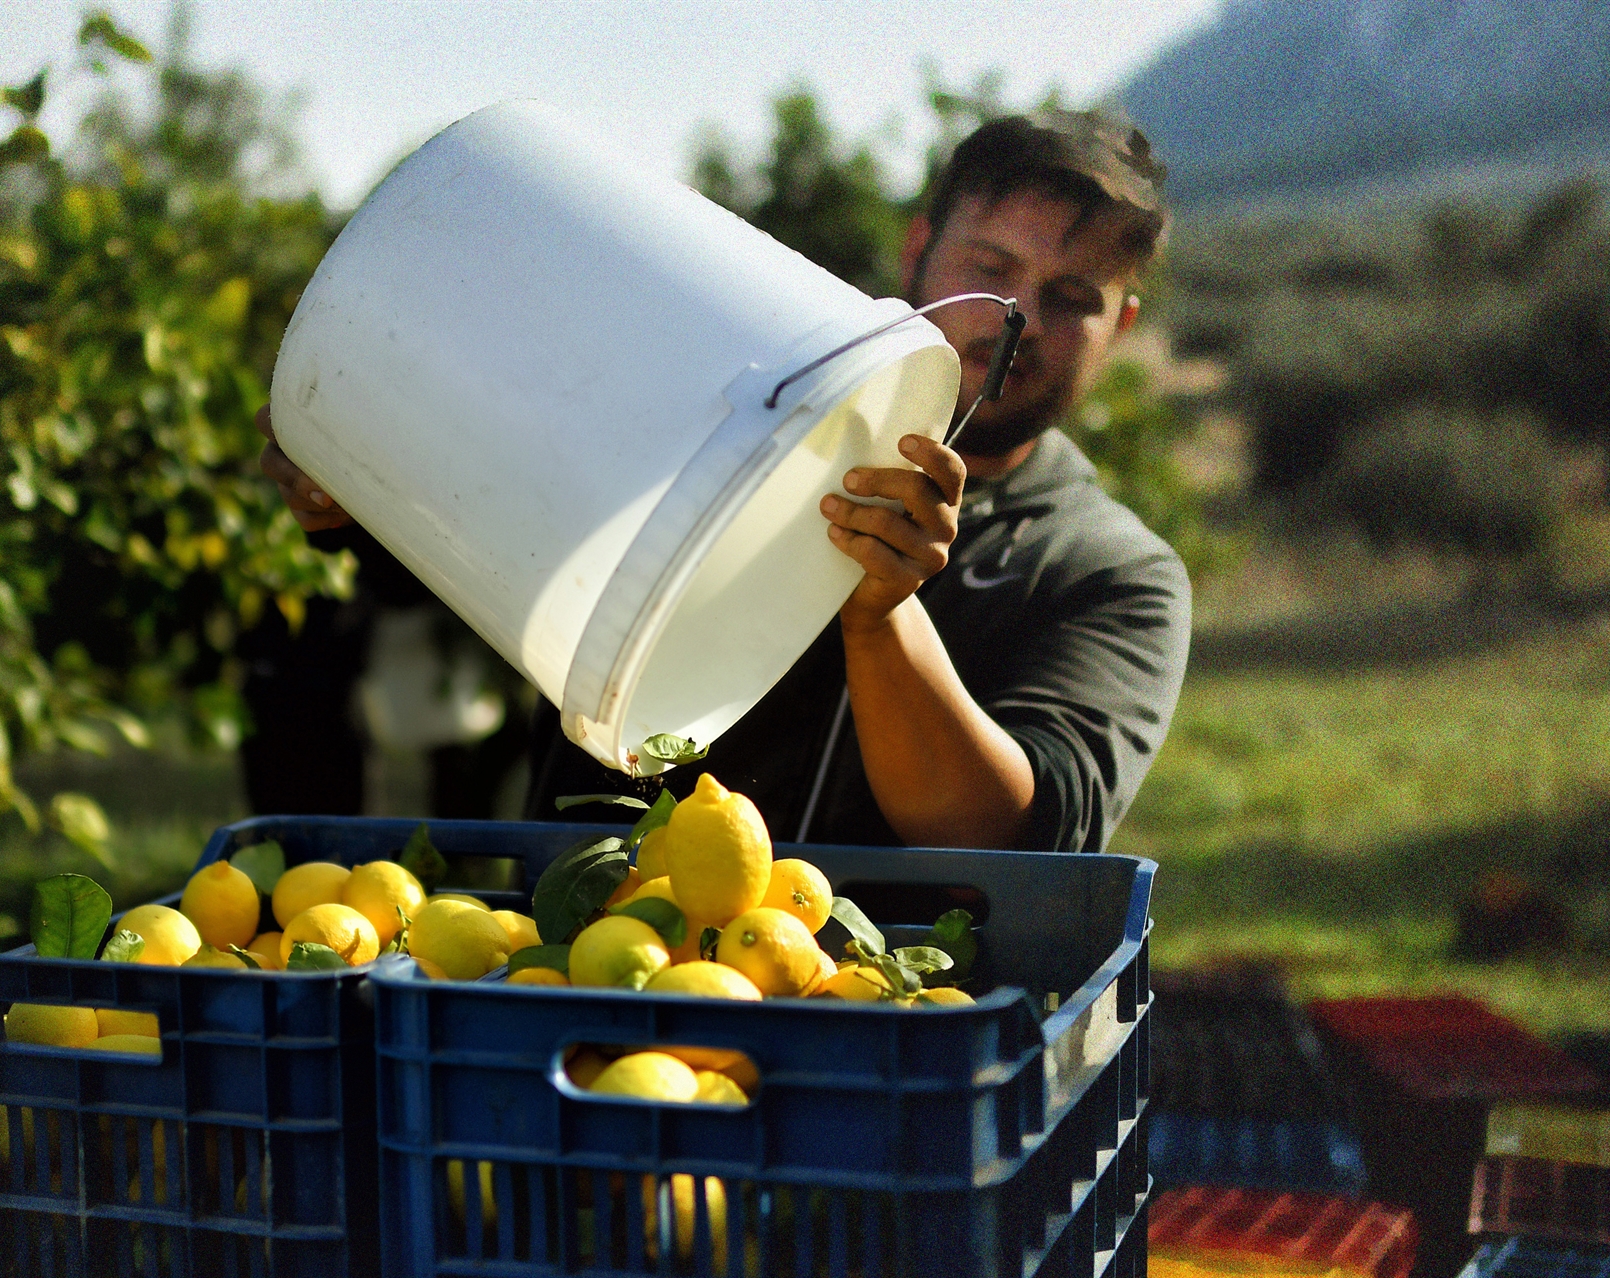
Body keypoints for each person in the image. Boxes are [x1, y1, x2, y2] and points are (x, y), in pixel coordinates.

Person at [259, 109, 1190, 853]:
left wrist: (880, 613)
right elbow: (500, 548)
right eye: (993, 270)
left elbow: (1006, 835)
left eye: (1073, 298)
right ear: (918, 253)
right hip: (597, 957)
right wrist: (359, 484)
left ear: (1126, 325)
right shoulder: (726, 399)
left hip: (896, 1017)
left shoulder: (1107, 572)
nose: (1020, 316)